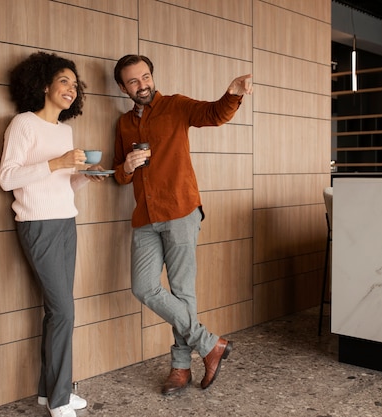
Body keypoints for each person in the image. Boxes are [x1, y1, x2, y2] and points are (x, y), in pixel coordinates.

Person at [112, 54, 253, 395]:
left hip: (180, 211)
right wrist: (128, 166)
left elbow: (213, 114)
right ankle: (210, 345)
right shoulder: (124, 124)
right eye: (133, 81)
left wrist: (233, 94)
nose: (142, 84)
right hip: (145, 217)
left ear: (152, 76)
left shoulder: (176, 106)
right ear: (123, 87)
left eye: (145, 76)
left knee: (182, 291)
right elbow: (119, 175)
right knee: (144, 287)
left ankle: (180, 367)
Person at [0, 52, 107, 417]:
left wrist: (82, 176)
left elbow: (60, 185)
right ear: (44, 85)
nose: (71, 89)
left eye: (76, 85)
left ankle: (49, 392)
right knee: (64, 311)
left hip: (65, 221)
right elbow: (8, 178)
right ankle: (60, 400)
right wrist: (58, 162)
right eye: (64, 81)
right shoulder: (23, 124)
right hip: (38, 224)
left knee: (56, 310)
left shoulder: (65, 131)